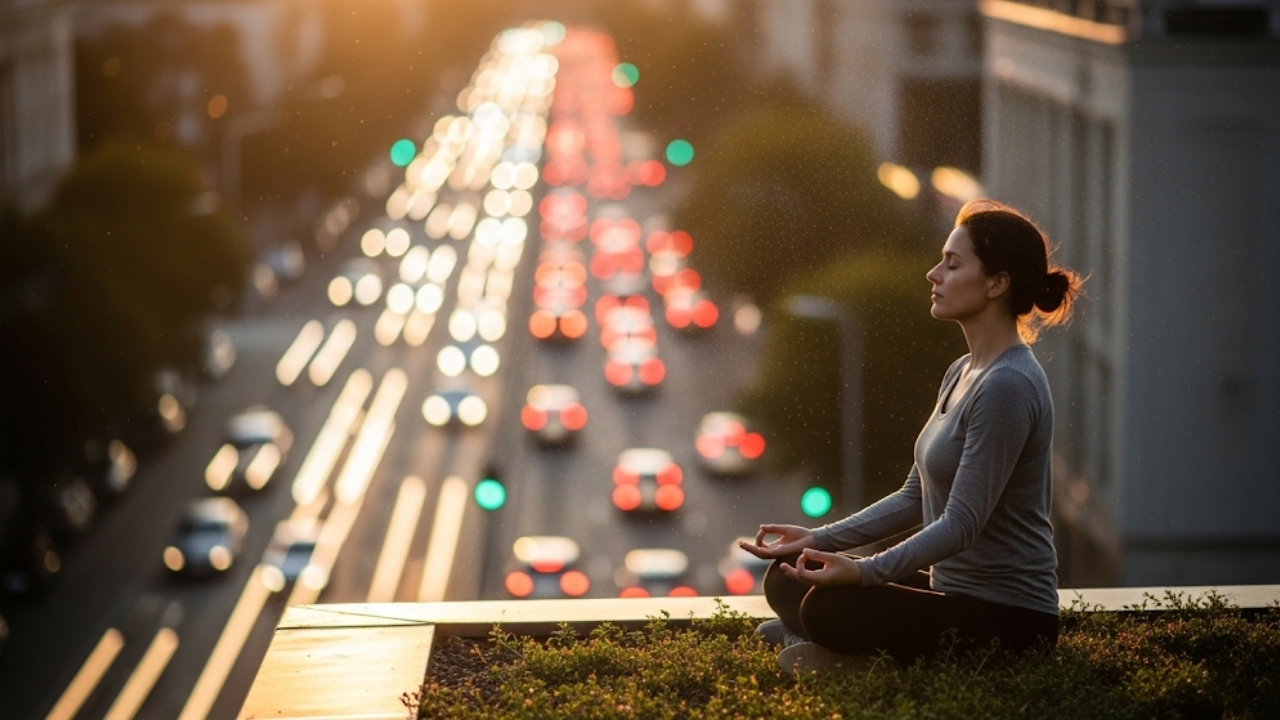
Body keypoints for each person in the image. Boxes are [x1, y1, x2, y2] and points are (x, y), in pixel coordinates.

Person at [741, 198, 1083, 674]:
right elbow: (913, 495)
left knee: (828, 605)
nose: (933, 274)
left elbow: (961, 525)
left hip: (1008, 620)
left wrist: (863, 572)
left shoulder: (1008, 385)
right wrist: (819, 538)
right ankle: (833, 645)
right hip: (954, 593)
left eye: (952, 263)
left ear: (996, 283)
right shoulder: (963, 370)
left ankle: (840, 650)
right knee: (786, 577)